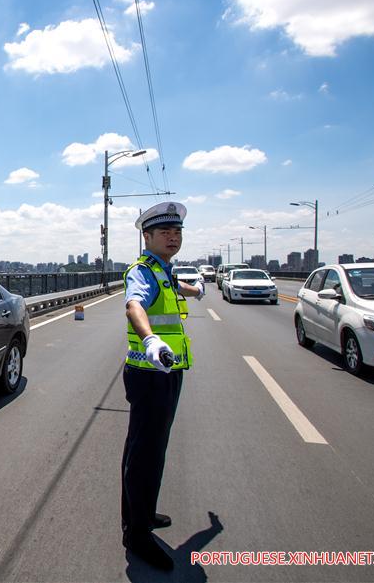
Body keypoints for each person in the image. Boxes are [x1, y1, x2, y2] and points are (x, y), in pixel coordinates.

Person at [120, 202, 203, 571]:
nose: (173, 236)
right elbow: (135, 304)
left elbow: (170, 288)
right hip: (150, 372)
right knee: (147, 454)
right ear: (147, 237)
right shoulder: (141, 270)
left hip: (164, 372)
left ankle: (141, 514)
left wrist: (193, 290)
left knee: (145, 449)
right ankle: (137, 536)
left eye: (178, 232)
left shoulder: (162, 270)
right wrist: (151, 339)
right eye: (165, 232)